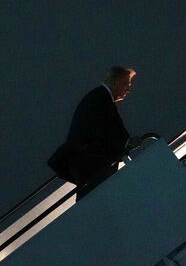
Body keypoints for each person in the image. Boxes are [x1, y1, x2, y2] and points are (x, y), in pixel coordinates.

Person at [48, 66, 138, 199]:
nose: (128, 89)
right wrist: (127, 143)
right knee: (96, 195)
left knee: (92, 195)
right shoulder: (102, 99)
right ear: (115, 81)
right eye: (126, 84)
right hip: (91, 161)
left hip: (86, 160)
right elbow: (110, 129)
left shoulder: (99, 97)